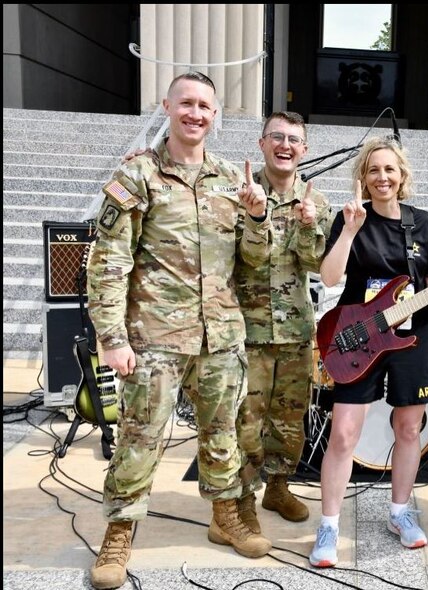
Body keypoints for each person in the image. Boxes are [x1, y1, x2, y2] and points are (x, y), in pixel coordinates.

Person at [85, 71, 274, 590]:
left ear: (216, 115)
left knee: (221, 436)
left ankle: (224, 516)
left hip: (220, 337)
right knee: (140, 437)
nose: (195, 113)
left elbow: (254, 262)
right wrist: (112, 336)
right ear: (166, 106)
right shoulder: (138, 175)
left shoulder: (230, 181)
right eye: (186, 103)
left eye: (205, 106)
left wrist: (258, 217)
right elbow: (108, 261)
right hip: (154, 336)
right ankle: (120, 530)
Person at [308, 136, 428, 568]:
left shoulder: (422, 223)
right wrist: (352, 230)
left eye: (390, 170)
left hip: (414, 336)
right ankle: (329, 525)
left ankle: (399, 513)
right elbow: (331, 276)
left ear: (402, 176)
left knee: (410, 429)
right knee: (343, 434)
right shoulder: (350, 219)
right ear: (363, 177)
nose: (382, 177)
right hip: (358, 334)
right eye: (373, 170)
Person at [234, 112, 333, 531]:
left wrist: (309, 225)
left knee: (290, 416)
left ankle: (278, 486)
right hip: (246, 329)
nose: (285, 145)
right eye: (277, 136)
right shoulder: (238, 192)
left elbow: (317, 265)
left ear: (304, 150)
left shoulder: (316, 200)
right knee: (245, 417)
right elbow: (245, 256)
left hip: (294, 330)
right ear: (262, 143)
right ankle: (239, 499)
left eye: (294, 139)